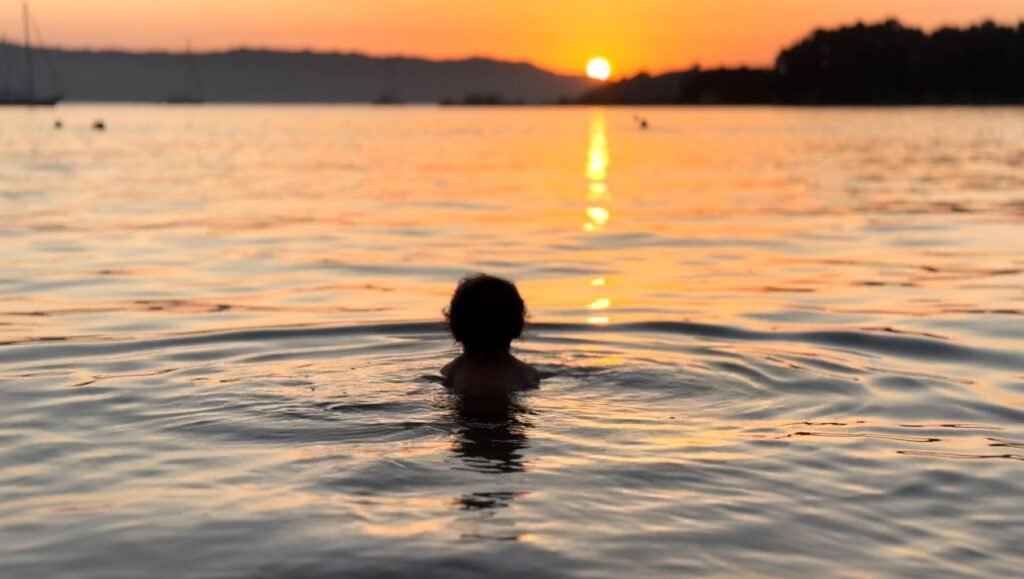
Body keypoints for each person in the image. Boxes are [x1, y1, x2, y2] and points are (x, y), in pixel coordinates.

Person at [441, 274, 540, 401]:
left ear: (455, 328)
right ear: (518, 327)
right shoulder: (526, 373)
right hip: (506, 415)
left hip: (465, 415)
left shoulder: (452, 370)